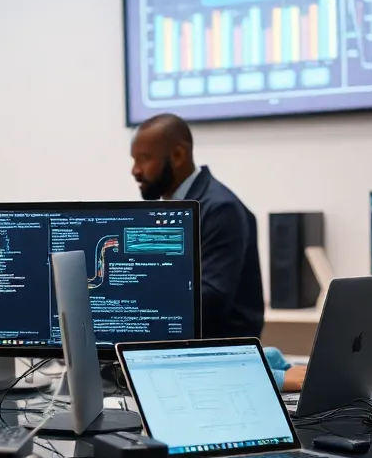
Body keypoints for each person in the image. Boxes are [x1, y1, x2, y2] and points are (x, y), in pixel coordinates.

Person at [130, 112, 305, 392]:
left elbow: (210, 301)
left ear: (177, 155)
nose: (135, 170)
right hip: (185, 358)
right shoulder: (171, 209)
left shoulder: (219, 209)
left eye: (144, 158)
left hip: (217, 364)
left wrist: (131, 306)